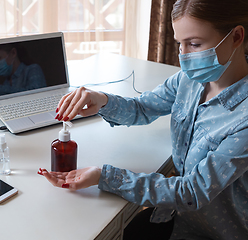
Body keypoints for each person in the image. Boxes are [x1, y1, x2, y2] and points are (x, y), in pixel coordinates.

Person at [38, 0, 248, 239]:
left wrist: (105, 177)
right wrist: (101, 99)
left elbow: (192, 191)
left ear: (236, 37)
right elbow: (142, 108)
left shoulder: (244, 120)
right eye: (180, 43)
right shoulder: (188, 81)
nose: (184, 56)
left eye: (195, 44)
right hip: (178, 217)